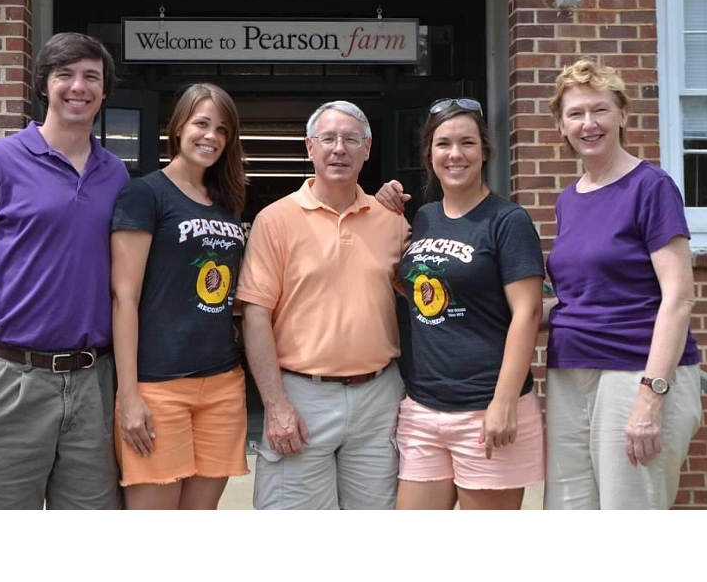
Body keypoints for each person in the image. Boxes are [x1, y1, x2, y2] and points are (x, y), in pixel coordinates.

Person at [0, 32, 128, 509]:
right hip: (9, 379)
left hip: (93, 384)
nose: (78, 86)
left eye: (91, 76)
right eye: (64, 74)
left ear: (105, 91)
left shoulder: (117, 174)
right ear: (44, 85)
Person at [236, 101, 411, 510]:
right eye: (328, 138)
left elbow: (428, 295)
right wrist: (276, 406)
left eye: (351, 139)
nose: (339, 149)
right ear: (309, 147)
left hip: (378, 398)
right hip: (301, 397)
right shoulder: (274, 220)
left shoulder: (391, 221)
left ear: (367, 149)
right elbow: (256, 315)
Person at [543, 58, 701, 510]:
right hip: (571, 371)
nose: (588, 124)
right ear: (561, 124)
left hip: (636, 371)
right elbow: (580, 298)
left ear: (623, 115)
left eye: (600, 110)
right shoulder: (569, 200)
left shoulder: (651, 187)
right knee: (568, 511)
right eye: (575, 114)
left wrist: (651, 398)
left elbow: (679, 296)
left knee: (628, 513)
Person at [375, 99, 546, 510]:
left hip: (486, 408)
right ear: (429, 154)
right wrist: (380, 205)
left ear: (484, 151)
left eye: (467, 143)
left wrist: (503, 401)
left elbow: (528, 313)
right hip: (422, 407)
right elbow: (412, 286)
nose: (455, 154)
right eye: (443, 144)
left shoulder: (508, 221)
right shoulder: (426, 217)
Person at [110, 83, 249, 510]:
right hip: (158, 386)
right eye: (202, 123)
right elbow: (124, 297)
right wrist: (129, 395)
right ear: (178, 128)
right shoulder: (145, 193)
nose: (211, 136)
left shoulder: (225, 202)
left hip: (223, 384)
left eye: (222, 130)